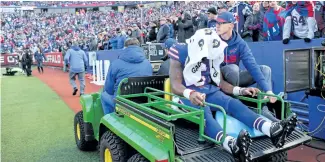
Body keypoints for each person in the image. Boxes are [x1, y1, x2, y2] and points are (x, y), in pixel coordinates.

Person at [168, 29, 297, 161]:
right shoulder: (180, 51)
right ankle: (230, 144)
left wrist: (240, 90)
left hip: (208, 90)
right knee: (204, 110)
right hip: (186, 95)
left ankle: (271, 129)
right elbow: (175, 85)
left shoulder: (212, 54)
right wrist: (190, 93)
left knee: (233, 103)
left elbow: (220, 83)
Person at [101, 38, 153, 115]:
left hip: (122, 103)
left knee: (103, 95)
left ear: (125, 48)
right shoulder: (148, 63)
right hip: (144, 101)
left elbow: (109, 90)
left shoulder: (115, 64)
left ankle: (109, 119)